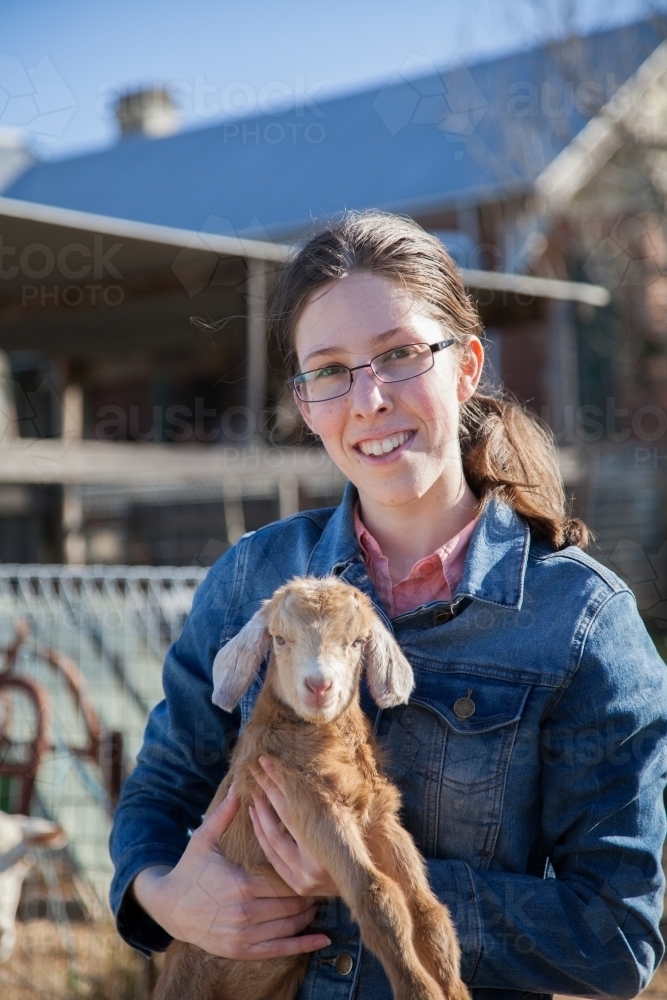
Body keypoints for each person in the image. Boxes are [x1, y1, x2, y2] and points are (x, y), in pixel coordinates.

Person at [110, 211, 667, 1000]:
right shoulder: (252, 578)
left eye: (400, 354)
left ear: (466, 365)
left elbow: (615, 937)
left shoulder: (580, 621)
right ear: (305, 403)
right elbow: (160, 795)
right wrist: (169, 898)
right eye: (330, 369)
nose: (367, 398)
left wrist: (365, 886)